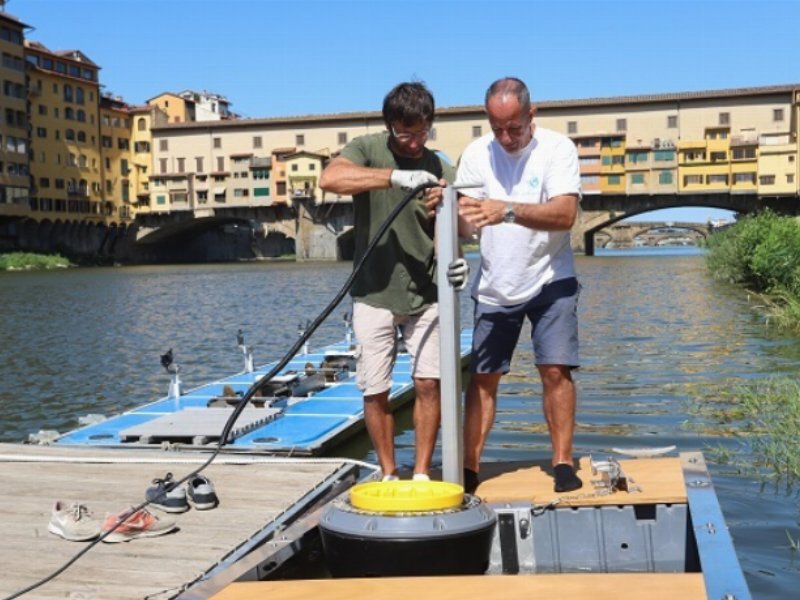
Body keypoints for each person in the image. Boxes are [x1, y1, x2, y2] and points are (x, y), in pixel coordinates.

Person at [319, 81, 469, 481]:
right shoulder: (367, 149)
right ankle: (388, 472)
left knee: (428, 384)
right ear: (389, 126)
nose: (416, 143)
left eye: (424, 132)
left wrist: (457, 250)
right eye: (406, 134)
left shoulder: (439, 164)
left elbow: (465, 221)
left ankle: (420, 472)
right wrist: (392, 179)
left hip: (427, 291)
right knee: (375, 389)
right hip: (373, 291)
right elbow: (330, 179)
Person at [455, 77, 583, 494]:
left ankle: (562, 462)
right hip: (495, 281)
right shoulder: (476, 154)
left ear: (532, 114)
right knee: (483, 378)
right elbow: (464, 223)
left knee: (555, 371)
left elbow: (565, 215)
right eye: (497, 128)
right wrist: (447, 217)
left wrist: (506, 210)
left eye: (514, 127)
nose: (506, 137)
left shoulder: (558, 149)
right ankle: (469, 466)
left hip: (550, 276)